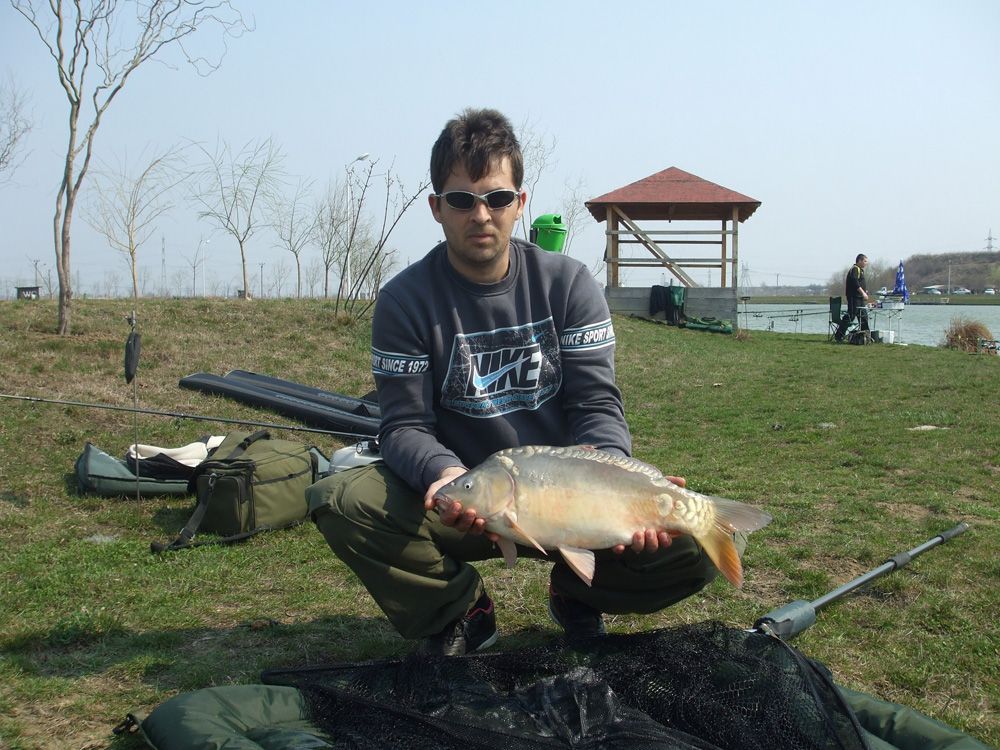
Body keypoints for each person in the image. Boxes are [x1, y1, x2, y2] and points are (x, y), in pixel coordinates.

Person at [308, 107, 718, 656]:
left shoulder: (569, 284)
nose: (481, 215)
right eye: (461, 199)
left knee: (693, 544)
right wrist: (444, 474)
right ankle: (460, 611)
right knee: (343, 499)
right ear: (436, 207)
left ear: (520, 204)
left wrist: (617, 477)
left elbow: (596, 404)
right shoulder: (404, 301)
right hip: (464, 499)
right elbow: (404, 426)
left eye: (497, 198)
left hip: (572, 497)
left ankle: (578, 592)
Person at [835, 253, 870, 342]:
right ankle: (839, 335)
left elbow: (859, 283)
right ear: (860, 261)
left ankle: (866, 337)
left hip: (860, 298)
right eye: (865, 261)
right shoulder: (855, 269)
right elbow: (855, 282)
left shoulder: (860, 270)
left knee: (863, 316)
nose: (866, 263)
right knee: (851, 315)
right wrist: (863, 293)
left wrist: (864, 291)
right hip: (854, 298)